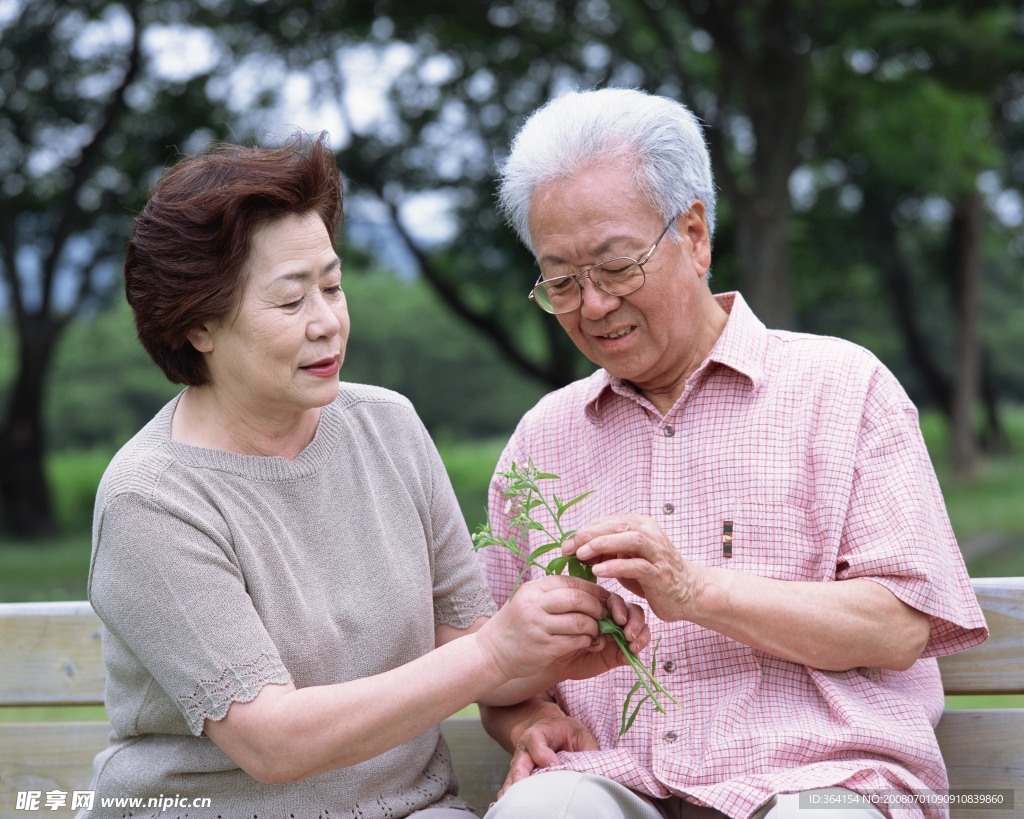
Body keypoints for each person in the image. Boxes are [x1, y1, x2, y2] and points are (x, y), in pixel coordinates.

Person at [81, 132, 650, 819]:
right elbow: (273, 741)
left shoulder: (390, 426)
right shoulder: (152, 497)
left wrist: (562, 650)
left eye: (332, 285)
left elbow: (463, 642)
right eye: (292, 302)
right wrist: (497, 653)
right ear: (199, 325)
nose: (328, 323)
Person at [477, 88, 989, 819]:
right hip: (622, 782)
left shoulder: (843, 388)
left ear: (693, 235)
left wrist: (694, 592)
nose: (592, 305)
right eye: (560, 282)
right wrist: (525, 720)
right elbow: (494, 661)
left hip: (822, 782)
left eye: (616, 266)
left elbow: (900, 625)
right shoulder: (543, 438)